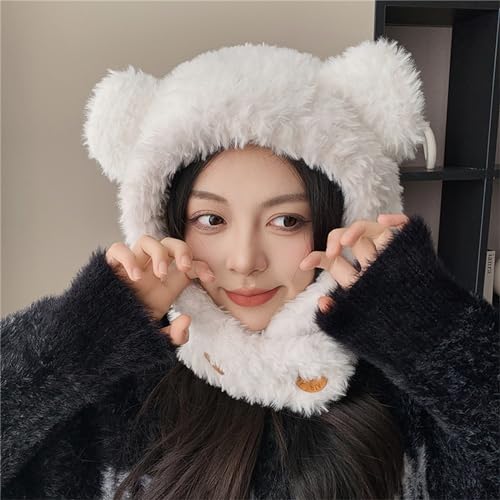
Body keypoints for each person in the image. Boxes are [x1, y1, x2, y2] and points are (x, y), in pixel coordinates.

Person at [1, 39, 498, 500]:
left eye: (287, 221)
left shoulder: (411, 395)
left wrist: (433, 329)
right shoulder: (102, 393)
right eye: (211, 220)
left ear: (340, 223)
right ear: (168, 225)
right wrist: (79, 336)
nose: (244, 261)